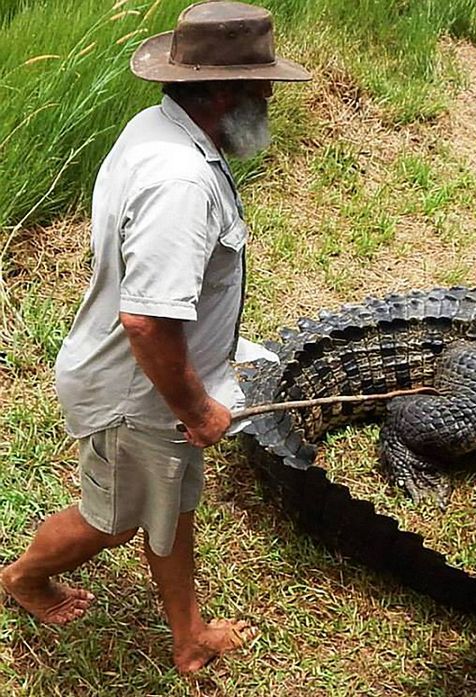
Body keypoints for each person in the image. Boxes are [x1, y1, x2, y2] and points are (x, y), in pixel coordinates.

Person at [0, 1, 309, 674]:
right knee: (111, 519)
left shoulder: (158, 127)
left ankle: (187, 633)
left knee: (169, 506)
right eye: (262, 86)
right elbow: (146, 320)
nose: (269, 99)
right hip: (139, 395)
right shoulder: (181, 182)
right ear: (223, 92)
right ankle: (23, 577)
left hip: (150, 387)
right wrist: (197, 409)